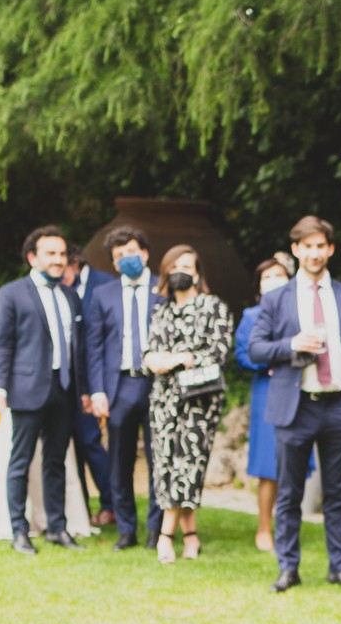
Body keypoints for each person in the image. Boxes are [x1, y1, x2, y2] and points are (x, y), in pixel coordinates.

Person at [247, 215, 341, 593]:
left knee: (338, 494)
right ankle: (288, 568)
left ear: (330, 249)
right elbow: (255, 348)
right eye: (308, 246)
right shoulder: (276, 299)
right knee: (289, 493)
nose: (315, 252)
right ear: (296, 250)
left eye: (321, 246)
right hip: (296, 406)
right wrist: (290, 345)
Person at [0, 226, 85, 554]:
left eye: (62, 254)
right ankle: (19, 530)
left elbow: (78, 347)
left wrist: (83, 389)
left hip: (64, 389)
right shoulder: (12, 293)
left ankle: (57, 528)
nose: (58, 260)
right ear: (33, 257)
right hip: (28, 389)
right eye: (51, 254)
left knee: (55, 461)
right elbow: (4, 346)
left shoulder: (71, 295)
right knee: (21, 461)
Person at [143, 246, 233, 563]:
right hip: (163, 401)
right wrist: (155, 360)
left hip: (198, 400)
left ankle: (165, 536)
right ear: (166, 272)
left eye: (188, 265)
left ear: (197, 272)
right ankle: (191, 536)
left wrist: (182, 358)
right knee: (165, 466)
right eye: (175, 265)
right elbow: (150, 353)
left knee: (189, 466)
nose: (182, 270)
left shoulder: (213, 307)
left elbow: (220, 352)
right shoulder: (161, 311)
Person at [82, 226, 167, 551]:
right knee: (120, 460)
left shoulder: (164, 288)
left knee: (159, 459)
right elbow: (94, 347)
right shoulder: (103, 295)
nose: (126, 259)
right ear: (114, 264)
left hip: (158, 384)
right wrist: (98, 390)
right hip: (119, 384)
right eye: (119, 256)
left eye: (131, 252)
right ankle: (126, 528)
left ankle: (156, 530)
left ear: (144, 253)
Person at [233, 254, 298, 552]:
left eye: (278, 276)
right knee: (268, 464)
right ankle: (264, 527)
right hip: (267, 390)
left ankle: (289, 526)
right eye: (266, 277)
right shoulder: (251, 315)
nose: (272, 282)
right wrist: (270, 360)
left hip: (297, 388)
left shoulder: (300, 309)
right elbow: (243, 354)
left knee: (293, 462)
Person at [57, 248, 113, 524]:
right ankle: (80, 507)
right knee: (72, 448)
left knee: (91, 442)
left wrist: (91, 389)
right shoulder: (60, 289)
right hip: (65, 383)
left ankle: (110, 503)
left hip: (92, 381)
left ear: (75, 263)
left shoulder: (105, 285)